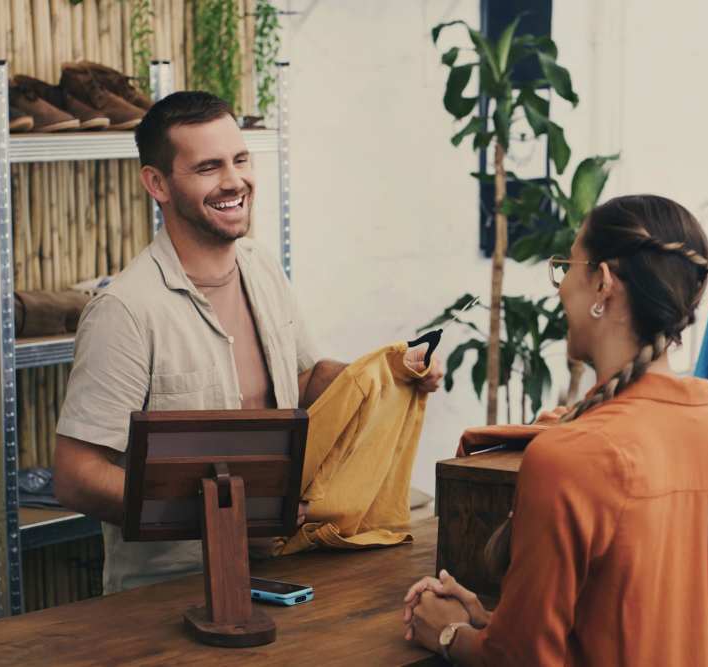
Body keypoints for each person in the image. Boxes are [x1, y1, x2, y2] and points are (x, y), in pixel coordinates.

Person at [53, 91, 442, 594]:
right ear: (157, 183)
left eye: (240, 160)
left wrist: (385, 374)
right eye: (208, 167)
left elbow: (303, 381)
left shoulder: (260, 267)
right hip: (169, 590)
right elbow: (77, 476)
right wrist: (225, 512)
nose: (234, 180)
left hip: (282, 566)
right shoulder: (126, 311)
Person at [403, 195, 708, 665]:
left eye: (566, 267)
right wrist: (492, 622)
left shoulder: (574, 457)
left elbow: (520, 661)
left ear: (603, 283)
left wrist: (447, 634)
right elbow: (645, 621)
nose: (560, 288)